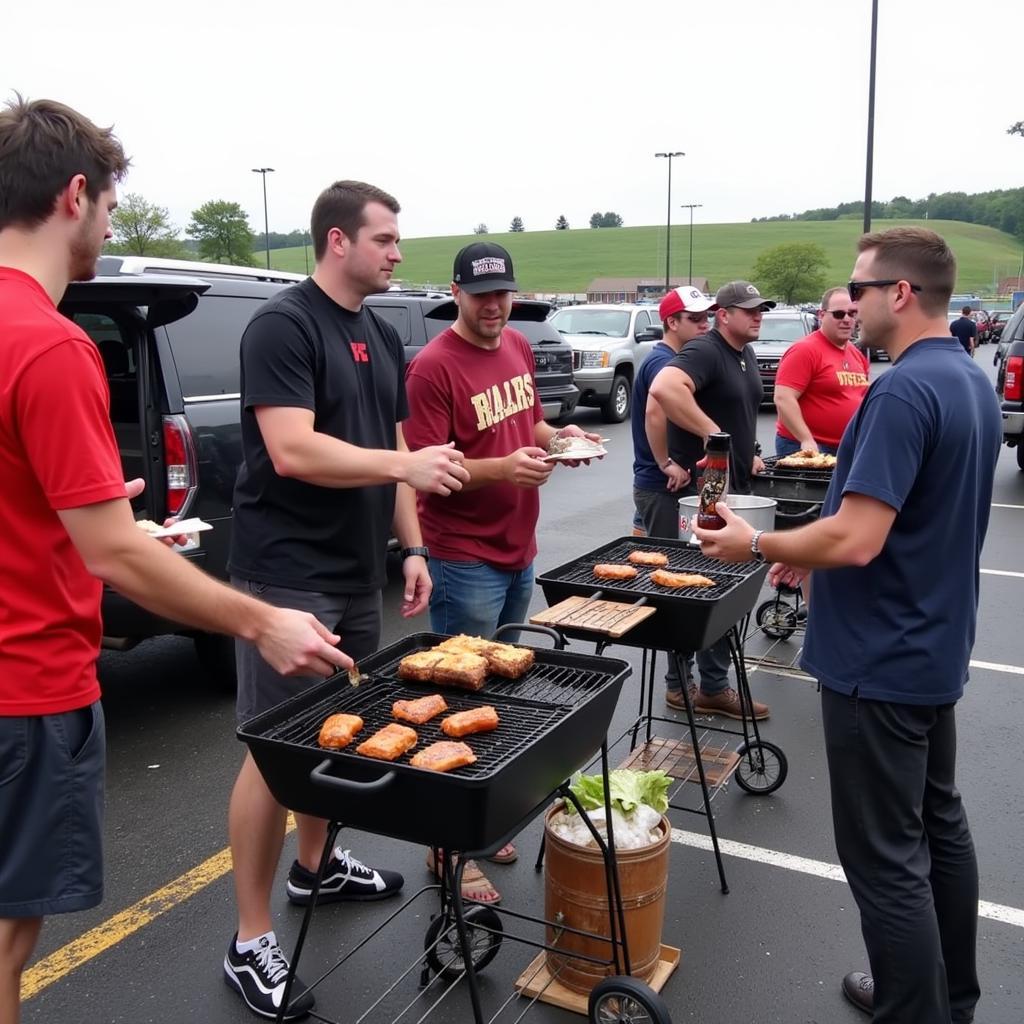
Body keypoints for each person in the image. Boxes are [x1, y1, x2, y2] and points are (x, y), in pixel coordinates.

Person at [0, 97, 351, 1024]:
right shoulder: (46, 343)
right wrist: (261, 619)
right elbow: (112, 553)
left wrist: (76, 521)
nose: (108, 228)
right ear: (76, 194)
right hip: (24, 687)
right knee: (5, 936)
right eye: (112, 209)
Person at [694, 227, 998, 1024]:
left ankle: (911, 1008)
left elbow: (858, 539)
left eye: (859, 288)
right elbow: (896, 519)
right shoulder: (967, 378)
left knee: (884, 858)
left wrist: (755, 542)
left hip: (878, 659)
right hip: (932, 645)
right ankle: (946, 999)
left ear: (900, 292)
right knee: (940, 825)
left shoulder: (900, 390)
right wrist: (809, 553)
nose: (850, 302)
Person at [223, 180, 470, 1020]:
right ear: (338, 240)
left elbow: (394, 444)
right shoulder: (283, 326)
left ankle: (315, 868)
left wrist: (412, 544)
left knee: (343, 729)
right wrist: (404, 470)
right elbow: (292, 450)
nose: (399, 253)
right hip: (286, 574)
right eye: (387, 239)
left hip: (354, 570)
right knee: (274, 751)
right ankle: (250, 938)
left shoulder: (379, 332)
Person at [403, 241, 600, 903]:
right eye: (482, 294)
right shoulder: (433, 368)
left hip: (519, 548)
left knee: (496, 704)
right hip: (465, 558)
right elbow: (431, 470)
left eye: (503, 293)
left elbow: (532, 423)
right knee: (454, 703)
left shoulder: (515, 345)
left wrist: (563, 441)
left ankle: (478, 823)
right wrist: (504, 467)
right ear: (455, 294)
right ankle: (445, 848)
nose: (494, 306)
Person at [648, 281, 771, 719]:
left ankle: (711, 685)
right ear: (724, 314)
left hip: (735, 487)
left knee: (726, 590)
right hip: (706, 494)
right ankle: (689, 685)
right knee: (699, 591)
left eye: (762, 310)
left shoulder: (744, 353)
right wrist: (711, 435)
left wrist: (749, 452)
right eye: (750, 310)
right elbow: (664, 388)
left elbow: (740, 413)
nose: (759, 316)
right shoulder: (707, 350)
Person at [631, 285, 717, 698]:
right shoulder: (663, 362)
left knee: (682, 579)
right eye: (696, 319)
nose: (705, 325)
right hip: (661, 486)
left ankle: (682, 680)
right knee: (675, 584)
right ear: (671, 322)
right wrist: (666, 462)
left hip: (662, 488)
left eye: (707, 318)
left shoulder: (673, 358)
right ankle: (677, 684)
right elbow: (653, 411)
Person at [774, 287, 869, 456]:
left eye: (852, 313)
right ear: (821, 315)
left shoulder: (857, 354)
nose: (846, 319)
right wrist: (806, 439)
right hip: (807, 446)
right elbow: (783, 399)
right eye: (839, 314)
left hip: (845, 448)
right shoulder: (805, 350)